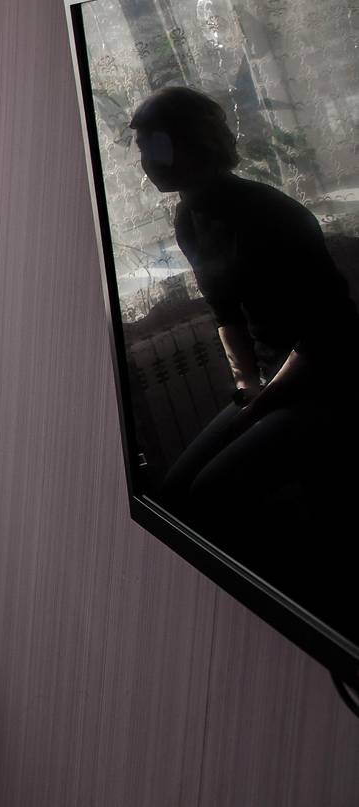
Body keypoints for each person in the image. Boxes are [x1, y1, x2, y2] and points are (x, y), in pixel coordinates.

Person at [133, 86, 359, 584]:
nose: (147, 163)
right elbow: (225, 313)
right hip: (272, 379)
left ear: (195, 145)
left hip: (329, 378)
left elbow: (325, 332)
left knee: (210, 495)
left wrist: (263, 400)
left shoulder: (270, 213)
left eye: (157, 145)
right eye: (142, 148)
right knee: (171, 499)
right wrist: (246, 385)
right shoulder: (189, 216)